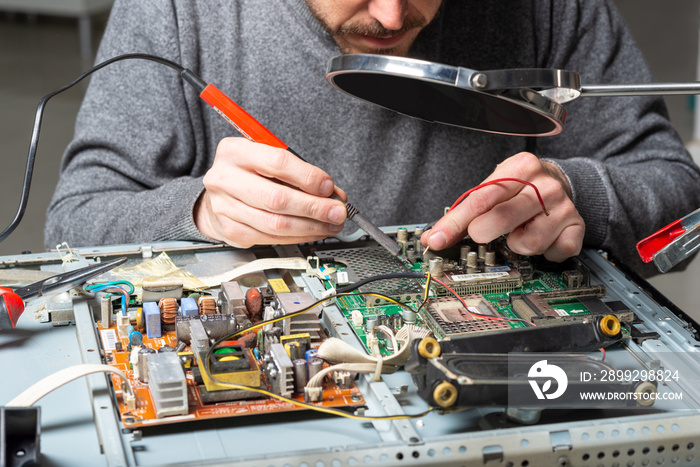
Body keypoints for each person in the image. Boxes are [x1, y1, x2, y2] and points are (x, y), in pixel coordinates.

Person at [45, 0, 700, 277]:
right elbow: (73, 225)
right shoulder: (180, 10)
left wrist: (582, 195)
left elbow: (677, 196)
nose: (390, 15)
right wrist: (201, 215)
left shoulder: (552, 8)